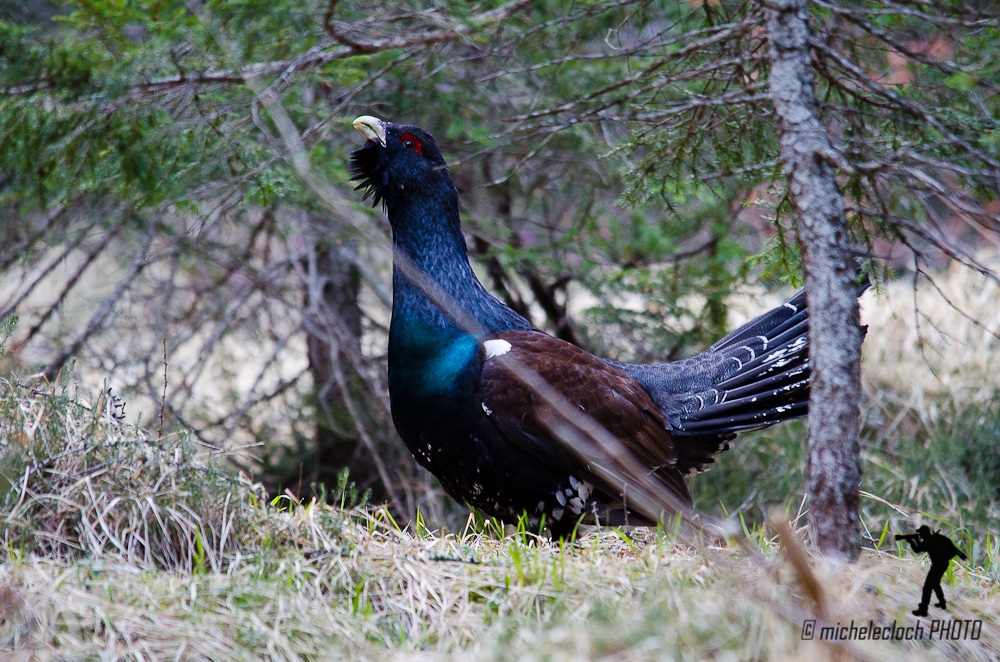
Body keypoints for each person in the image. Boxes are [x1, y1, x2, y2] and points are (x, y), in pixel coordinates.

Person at [901, 525, 967, 617]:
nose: (920, 535)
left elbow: (917, 549)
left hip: (938, 565)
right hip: (943, 564)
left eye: (920, 533)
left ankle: (923, 609)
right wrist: (961, 554)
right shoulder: (937, 538)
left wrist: (911, 541)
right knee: (935, 583)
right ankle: (942, 602)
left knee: (927, 587)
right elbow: (952, 546)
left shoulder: (929, 541)